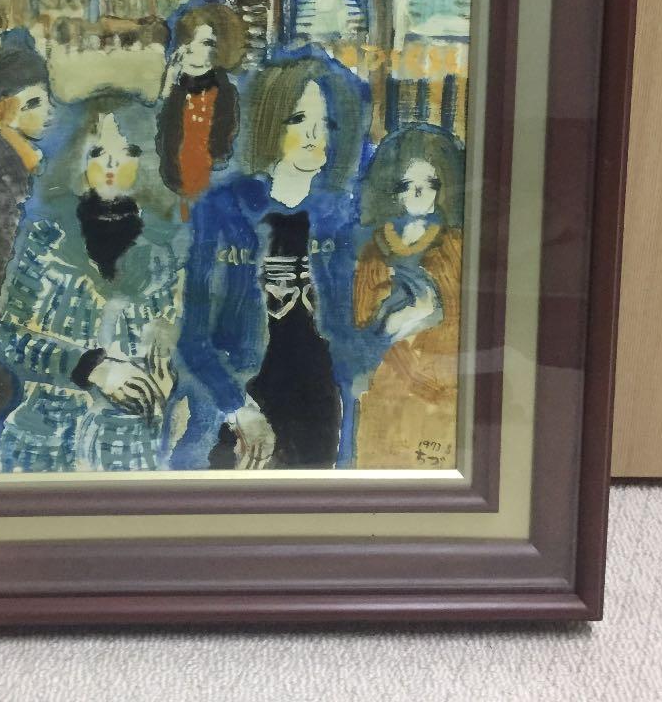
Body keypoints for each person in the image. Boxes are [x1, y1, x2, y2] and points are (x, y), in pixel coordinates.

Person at [168, 50, 369, 470]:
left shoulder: (341, 216)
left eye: (327, 123)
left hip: (319, 407)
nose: (314, 134)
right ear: (271, 122)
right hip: (239, 404)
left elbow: (348, 336)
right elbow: (192, 339)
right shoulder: (224, 208)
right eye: (298, 119)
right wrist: (237, 407)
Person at [0, 98, 180, 472]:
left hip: (131, 450)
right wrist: (90, 367)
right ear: (80, 158)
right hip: (42, 446)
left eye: (126, 152)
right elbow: (6, 340)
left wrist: (169, 368)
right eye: (97, 152)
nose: (111, 164)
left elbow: (178, 345)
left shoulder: (165, 250)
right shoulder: (45, 237)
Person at [352, 125, 466, 469]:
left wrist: (423, 321)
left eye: (428, 183)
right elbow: (362, 325)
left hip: (441, 385)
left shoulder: (454, 246)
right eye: (406, 184)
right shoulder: (375, 249)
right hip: (386, 382)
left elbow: (460, 320)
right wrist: (398, 323)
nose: (417, 193)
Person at [0, 37, 54, 456]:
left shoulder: (15, 154)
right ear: (1, 108)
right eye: (34, 103)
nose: (48, 113)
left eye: (47, 100)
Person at [155, 2, 246, 218]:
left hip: (215, 196)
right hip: (173, 196)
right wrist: (167, 91)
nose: (193, 51)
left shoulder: (228, 95)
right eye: (188, 42)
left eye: (206, 43)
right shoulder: (174, 93)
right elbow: (158, 144)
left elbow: (231, 156)